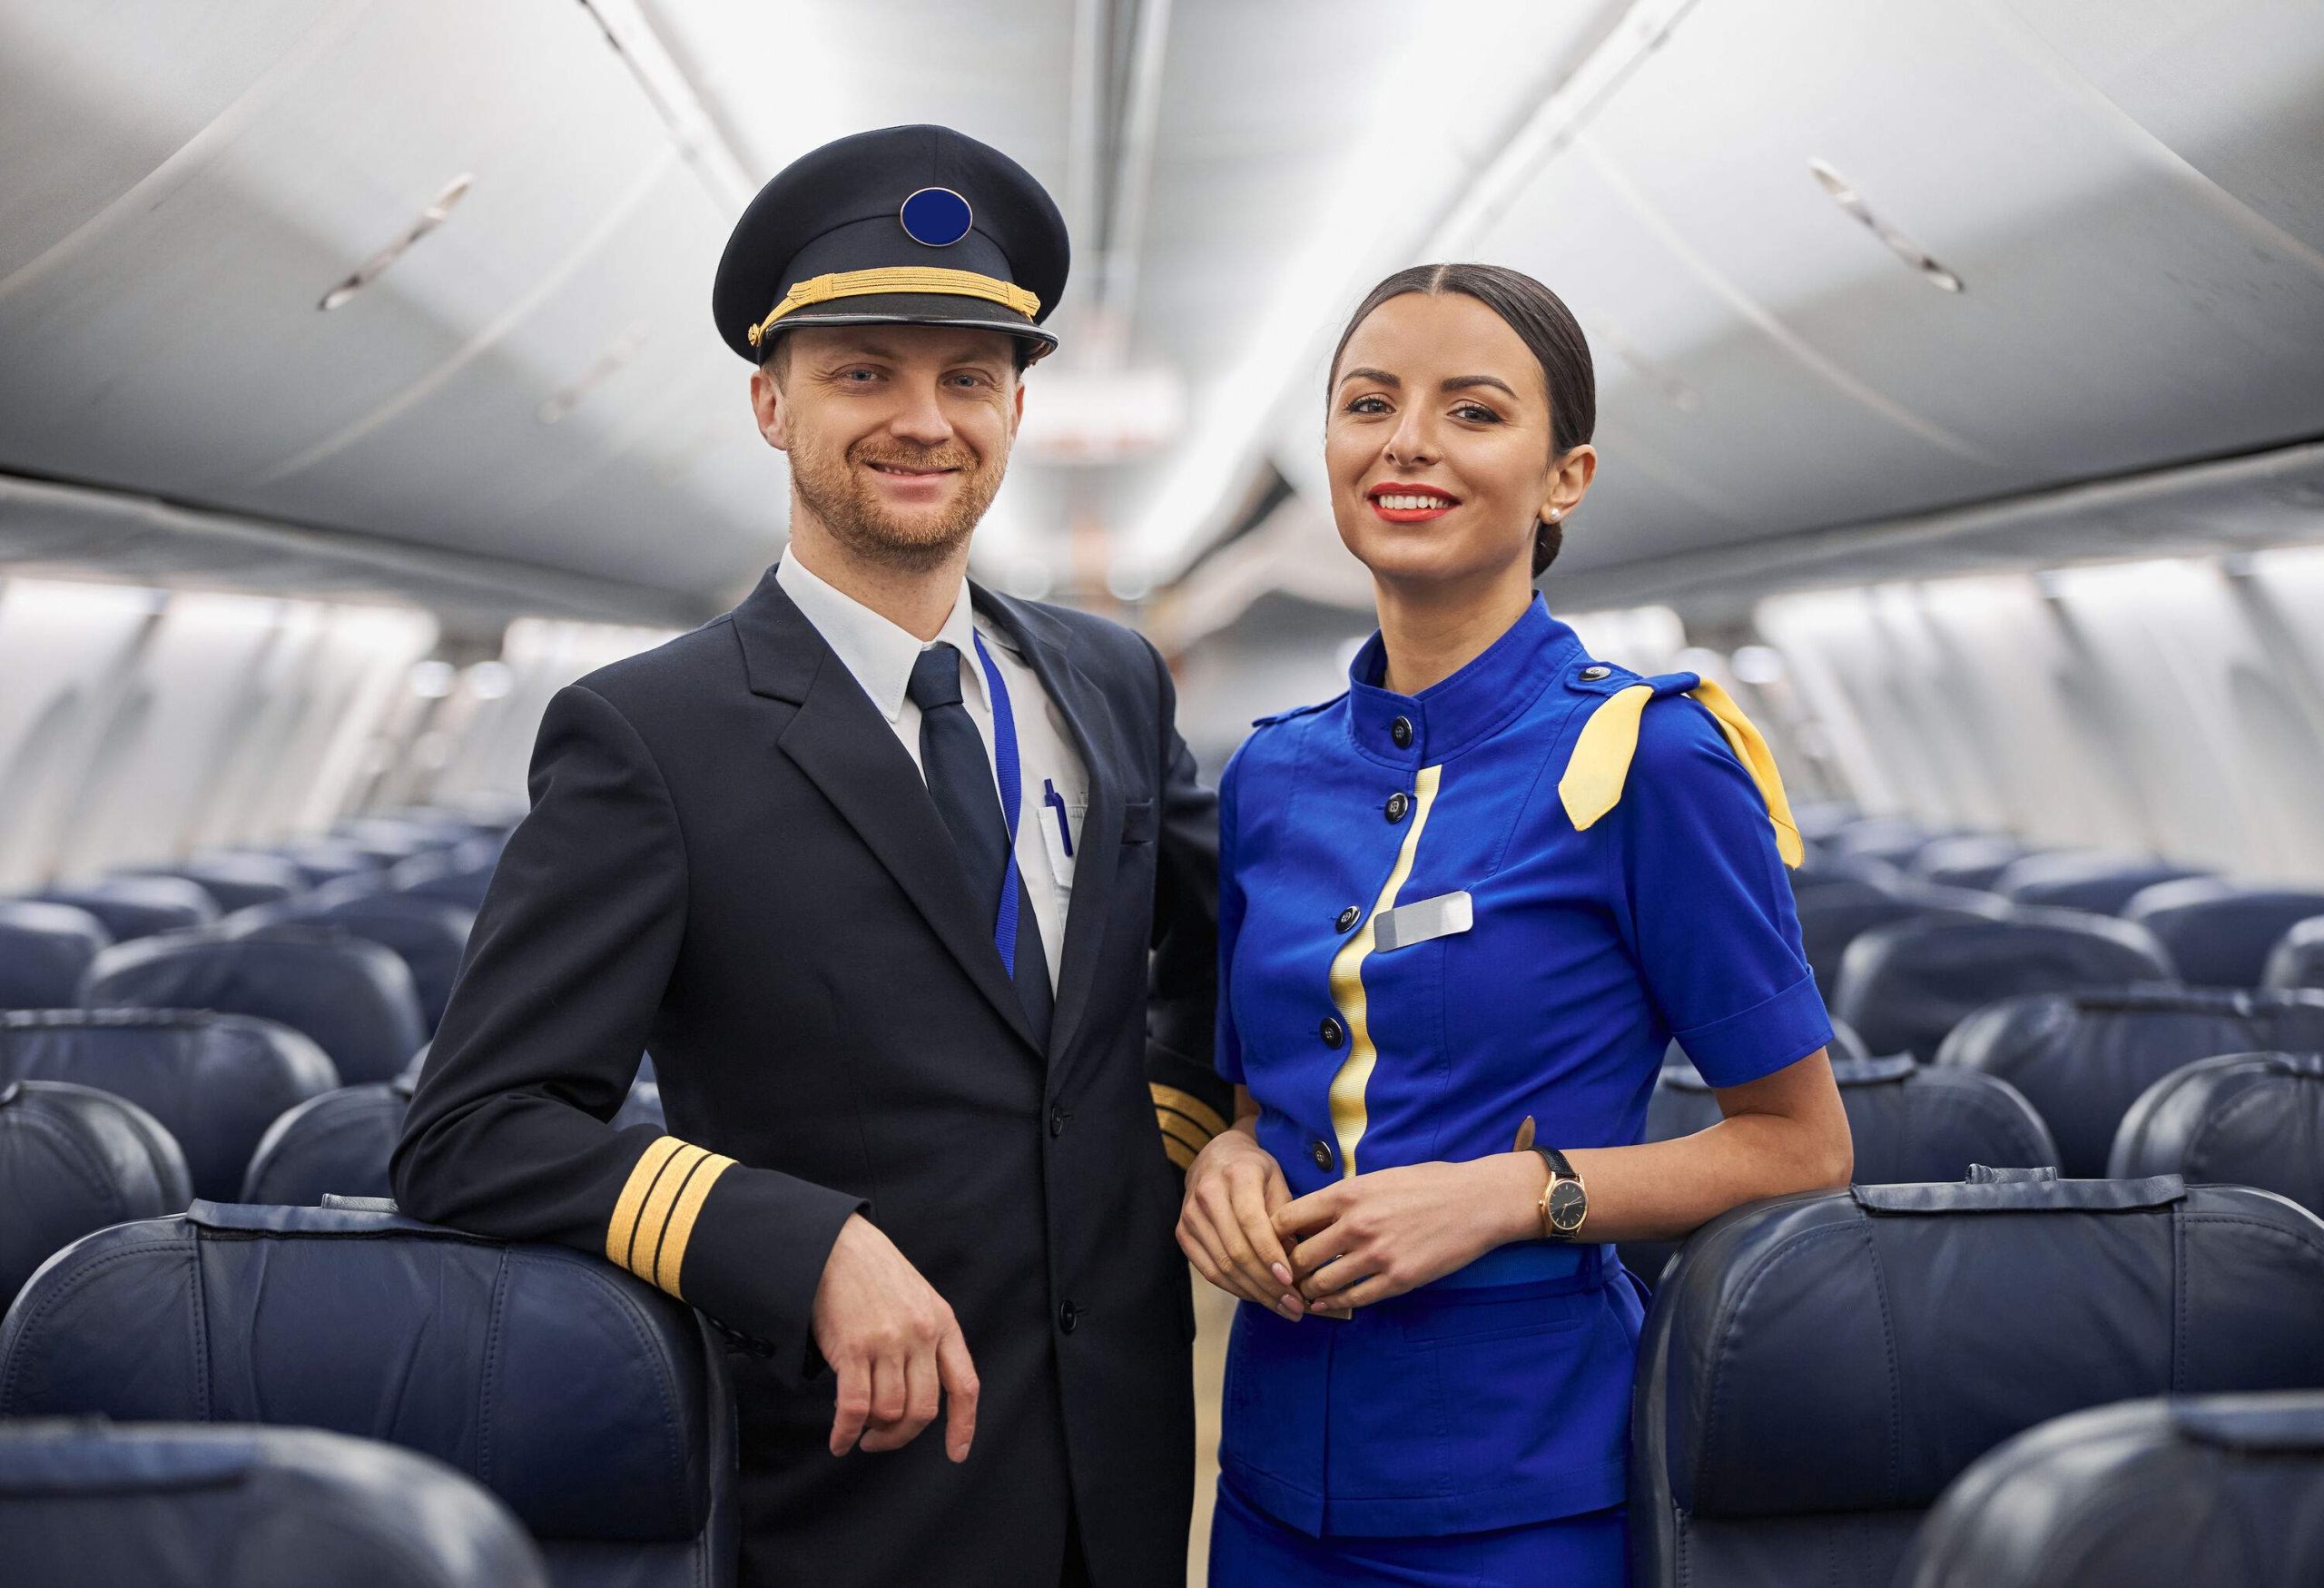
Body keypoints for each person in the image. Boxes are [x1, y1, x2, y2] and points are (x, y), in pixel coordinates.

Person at [391, 124, 1231, 1588]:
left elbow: (1213, 955)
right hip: (853, 1491)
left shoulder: (1110, 680)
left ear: (1018, 405)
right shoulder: (649, 735)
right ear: (772, 403)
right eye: (864, 374)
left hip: (1133, 1466)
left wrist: (1155, 1130)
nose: (925, 419)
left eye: (968, 376)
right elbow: (474, 1128)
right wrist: (801, 1245)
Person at [1178, 261, 1854, 1587]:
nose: (1409, 441)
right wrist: (1225, 1165)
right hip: (1268, 1480)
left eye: (1473, 411)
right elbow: (1265, 1102)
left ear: (1566, 477)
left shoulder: (1649, 758)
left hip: (1521, 1491)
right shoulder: (1272, 773)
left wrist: (1510, 1193)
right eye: (1369, 404)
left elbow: (1801, 1145)